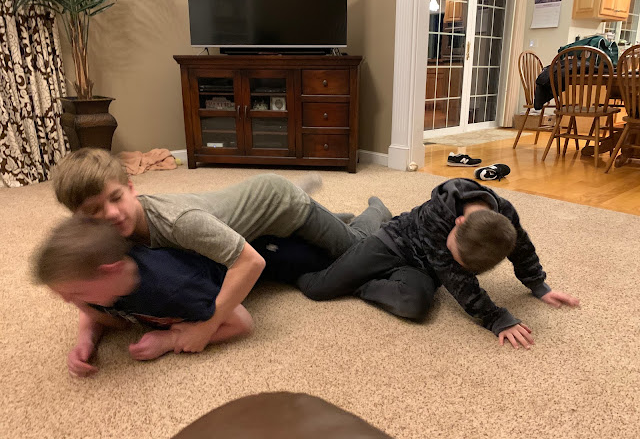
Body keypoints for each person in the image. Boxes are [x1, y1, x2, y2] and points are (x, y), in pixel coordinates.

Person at [52, 148, 391, 356]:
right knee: (310, 235)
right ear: (78, 219)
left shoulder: (178, 222)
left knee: (354, 248)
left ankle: (376, 211)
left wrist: (205, 328)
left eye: (115, 198)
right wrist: (86, 337)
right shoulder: (111, 236)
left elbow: (250, 262)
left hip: (280, 203)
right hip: (244, 221)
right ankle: (332, 218)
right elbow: (94, 289)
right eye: (94, 211)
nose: (111, 214)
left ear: (130, 188)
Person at [296, 178, 580, 350]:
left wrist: (539, 286)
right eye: (453, 251)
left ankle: (360, 279)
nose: (455, 260)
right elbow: (455, 277)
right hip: (394, 241)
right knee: (317, 288)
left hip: (425, 267)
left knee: (414, 306)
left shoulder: (504, 216)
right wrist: (495, 317)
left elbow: (521, 247)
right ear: (459, 222)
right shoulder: (438, 212)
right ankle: (376, 211)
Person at [34, 217, 334, 377]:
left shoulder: (173, 288)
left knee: (330, 256)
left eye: (74, 294)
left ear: (109, 271)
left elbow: (242, 323)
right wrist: (85, 339)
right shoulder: (101, 290)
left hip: (265, 250)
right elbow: (91, 311)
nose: (71, 303)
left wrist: (170, 340)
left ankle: (352, 223)